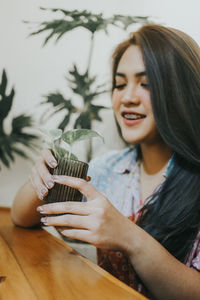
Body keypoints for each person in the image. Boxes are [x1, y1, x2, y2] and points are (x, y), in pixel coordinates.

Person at [11, 24, 200, 299]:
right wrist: (40, 179)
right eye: (120, 84)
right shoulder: (107, 168)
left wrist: (129, 238)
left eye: (146, 84)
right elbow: (20, 218)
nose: (127, 98)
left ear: (182, 91)